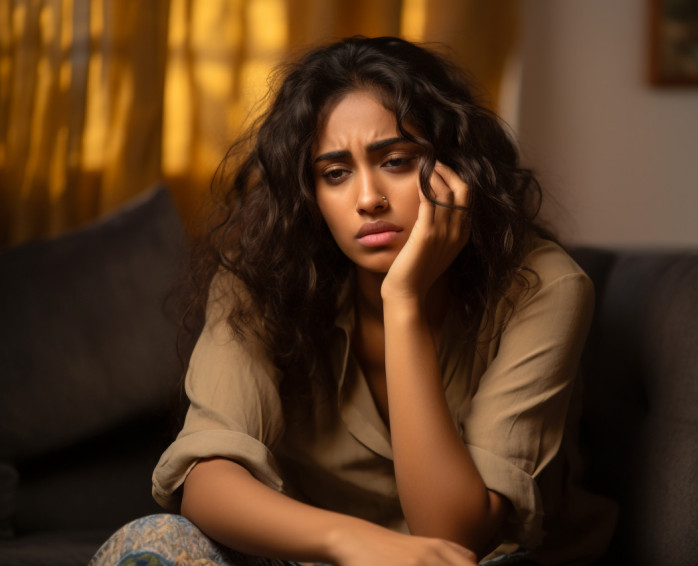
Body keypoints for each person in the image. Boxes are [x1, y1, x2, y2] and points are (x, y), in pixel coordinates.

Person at [91, 36, 613, 566]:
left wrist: (403, 302)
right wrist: (352, 541)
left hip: (477, 563)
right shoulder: (261, 279)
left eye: (397, 161)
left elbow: (453, 535)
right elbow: (206, 483)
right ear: (309, 194)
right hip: (318, 557)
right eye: (335, 173)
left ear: (457, 168)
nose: (368, 200)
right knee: (153, 543)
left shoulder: (544, 287)